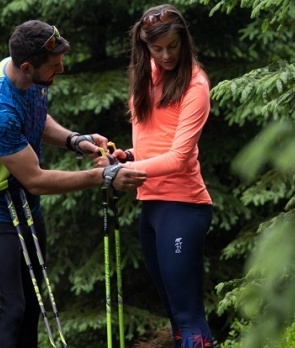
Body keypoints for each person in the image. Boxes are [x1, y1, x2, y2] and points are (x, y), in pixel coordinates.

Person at [0, 19, 147, 348]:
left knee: (31, 307)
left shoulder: (23, 73)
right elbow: (35, 180)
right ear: (29, 66)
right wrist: (102, 176)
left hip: (27, 209)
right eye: (54, 66)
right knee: (10, 312)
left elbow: (36, 116)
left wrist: (76, 140)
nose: (60, 70)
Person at [94, 4, 215, 348]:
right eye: (156, 48)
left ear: (184, 42)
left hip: (183, 205)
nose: (165, 55)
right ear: (144, 45)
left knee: (189, 315)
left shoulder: (195, 85)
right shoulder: (146, 74)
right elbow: (154, 138)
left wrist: (125, 170)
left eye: (173, 47)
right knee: (176, 316)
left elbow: (178, 157)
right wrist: (127, 156)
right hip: (152, 206)